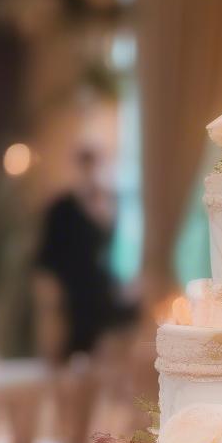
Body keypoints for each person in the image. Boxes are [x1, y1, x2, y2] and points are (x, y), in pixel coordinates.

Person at [33, 146, 137, 363]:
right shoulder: (62, 208)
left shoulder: (109, 201)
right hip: (71, 288)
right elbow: (47, 255)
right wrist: (50, 298)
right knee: (67, 350)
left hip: (99, 287)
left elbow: (108, 253)